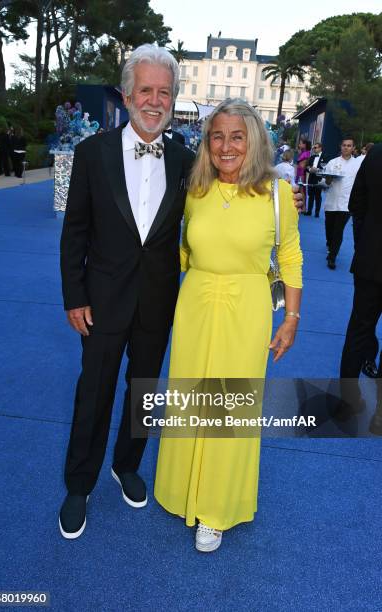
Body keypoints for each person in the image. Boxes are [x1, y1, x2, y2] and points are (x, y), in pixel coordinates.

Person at [59, 47, 304, 540]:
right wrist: (74, 296)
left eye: (164, 92)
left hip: (162, 301)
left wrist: (282, 192)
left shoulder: (188, 162)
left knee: (144, 391)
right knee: (95, 390)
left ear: (174, 99)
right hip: (103, 299)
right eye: (145, 90)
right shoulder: (92, 153)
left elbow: (233, 201)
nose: (154, 100)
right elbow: (75, 232)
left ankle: (127, 465)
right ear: (127, 95)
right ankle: (78, 486)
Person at [154, 99, 303, 552]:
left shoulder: (277, 194)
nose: (226, 146)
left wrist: (291, 317)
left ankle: (216, 509)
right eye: (217, 136)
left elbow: (291, 254)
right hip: (196, 303)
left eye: (236, 136)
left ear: (254, 139)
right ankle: (181, 490)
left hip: (247, 308)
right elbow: (180, 251)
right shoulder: (195, 190)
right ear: (207, 142)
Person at [339, 143, 382, 435]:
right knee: (359, 331)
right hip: (370, 258)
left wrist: (366, 242)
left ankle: (347, 401)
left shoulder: (376, 153)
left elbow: (357, 203)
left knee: (358, 329)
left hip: (370, 260)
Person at [324, 138, 361, 270]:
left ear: (353, 148)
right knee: (329, 230)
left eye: (349, 146)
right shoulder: (332, 162)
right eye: (344, 145)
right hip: (331, 202)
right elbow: (326, 183)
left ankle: (332, 257)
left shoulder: (357, 164)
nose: (346, 147)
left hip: (346, 204)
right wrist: (328, 178)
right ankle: (330, 245)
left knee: (338, 231)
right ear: (340, 147)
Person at [304, 142, 326, 217]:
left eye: (316, 148)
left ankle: (317, 212)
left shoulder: (325, 156)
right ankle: (309, 211)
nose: (314, 149)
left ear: (320, 148)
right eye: (314, 148)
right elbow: (306, 166)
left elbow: (325, 168)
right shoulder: (312, 157)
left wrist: (317, 170)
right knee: (310, 195)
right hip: (311, 177)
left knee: (318, 196)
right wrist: (310, 169)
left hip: (319, 178)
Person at [295, 137, 311, 204]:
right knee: (298, 189)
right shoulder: (303, 152)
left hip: (301, 173)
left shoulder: (307, 153)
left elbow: (303, 164)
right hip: (299, 172)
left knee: (302, 190)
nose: (299, 145)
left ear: (304, 145)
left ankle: (304, 207)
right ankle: (300, 205)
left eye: (300, 144)